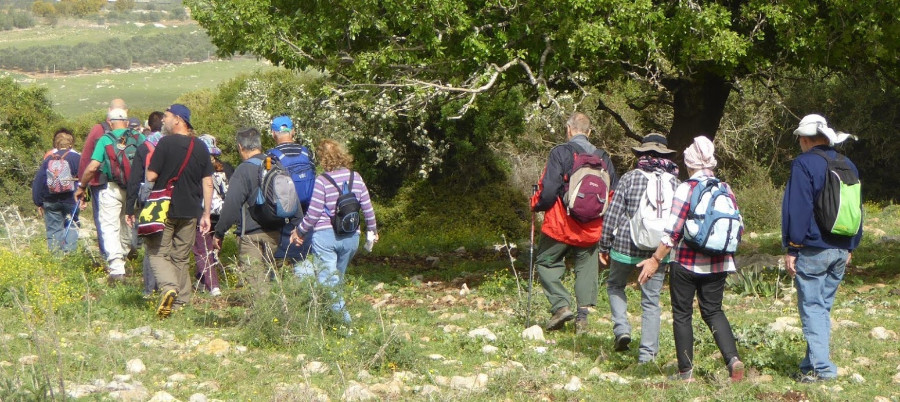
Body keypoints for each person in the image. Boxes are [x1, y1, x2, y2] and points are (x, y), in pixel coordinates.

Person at [636, 136, 744, 382]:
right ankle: (733, 360)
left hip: (685, 262)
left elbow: (673, 231)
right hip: (719, 262)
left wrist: (654, 260)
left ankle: (686, 373)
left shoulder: (687, 188)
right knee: (714, 311)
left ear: (690, 161)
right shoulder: (725, 188)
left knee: (682, 314)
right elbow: (739, 226)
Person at [782, 114, 862, 383]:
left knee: (813, 308)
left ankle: (823, 370)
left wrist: (792, 247)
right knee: (821, 308)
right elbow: (856, 207)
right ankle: (809, 366)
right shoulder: (846, 163)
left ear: (805, 139)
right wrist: (851, 246)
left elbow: (799, 207)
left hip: (814, 248)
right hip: (841, 247)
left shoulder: (804, 163)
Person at [530, 112, 618, 333]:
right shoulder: (603, 157)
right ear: (589, 132)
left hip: (561, 224)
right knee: (586, 270)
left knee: (546, 262)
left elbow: (549, 190)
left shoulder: (560, 152)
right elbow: (612, 193)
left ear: (569, 129)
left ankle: (560, 306)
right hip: (591, 227)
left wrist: (536, 204)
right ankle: (582, 319)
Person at [599, 133, 680, 360]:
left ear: (642, 153)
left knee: (615, 285)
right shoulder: (675, 182)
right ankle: (647, 355)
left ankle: (622, 329)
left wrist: (604, 245)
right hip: (658, 251)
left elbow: (613, 213)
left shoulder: (630, 178)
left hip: (625, 246)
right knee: (651, 301)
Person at [133, 104, 213, 318]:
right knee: (180, 257)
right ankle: (181, 304)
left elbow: (150, 176)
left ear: (178, 120)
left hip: (164, 209)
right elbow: (208, 183)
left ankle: (169, 287)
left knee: (157, 252)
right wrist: (206, 214)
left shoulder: (165, 143)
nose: (164, 121)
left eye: (167, 117)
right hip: (191, 210)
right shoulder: (201, 147)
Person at [290, 139, 378, 324]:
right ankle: (330, 320)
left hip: (326, 237)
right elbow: (368, 209)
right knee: (335, 281)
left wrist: (299, 231)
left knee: (329, 283)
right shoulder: (357, 177)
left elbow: (313, 214)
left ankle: (346, 325)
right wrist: (372, 231)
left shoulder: (322, 181)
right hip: (351, 237)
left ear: (322, 158)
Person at [75, 108, 143, 283]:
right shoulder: (138, 137)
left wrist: (82, 186)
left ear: (110, 122)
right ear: (127, 122)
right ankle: (126, 253)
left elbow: (93, 166)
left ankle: (116, 268)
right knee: (128, 222)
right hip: (134, 188)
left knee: (109, 226)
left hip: (110, 188)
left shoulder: (105, 139)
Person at [213, 127, 282, 298]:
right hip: (275, 232)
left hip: (251, 235)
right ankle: (275, 315)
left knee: (256, 282)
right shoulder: (276, 165)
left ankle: (264, 320)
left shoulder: (243, 170)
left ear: (240, 147)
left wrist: (219, 233)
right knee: (269, 277)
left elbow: (231, 205)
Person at [78, 98, 127, 258]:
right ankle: (127, 253)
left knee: (105, 222)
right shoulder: (133, 134)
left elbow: (87, 159)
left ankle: (109, 256)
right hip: (128, 183)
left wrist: (82, 185)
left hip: (102, 182)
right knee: (125, 220)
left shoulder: (98, 130)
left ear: (108, 113)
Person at [125, 111, 165, 298]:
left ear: (149, 126)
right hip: (169, 195)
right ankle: (168, 285)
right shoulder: (170, 144)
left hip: (149, 196)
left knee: (151, 244)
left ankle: (150, 289)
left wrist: (129, 207)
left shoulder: (144, 147)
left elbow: (134, 179)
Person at [267, 115, 316, 264]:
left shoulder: (271, 156)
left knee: (286, 252)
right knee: (306, 251)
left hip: (285, 210)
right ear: (293, 131)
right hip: (308, 208)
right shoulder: (306, 152)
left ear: (273, 133)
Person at [193, 134, 233, 297]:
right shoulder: (228, 168)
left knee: (202, 249)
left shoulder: (198, 169)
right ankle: (202, 281)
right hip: (222, 214)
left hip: (203, 213)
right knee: (213, 248)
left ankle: (213, 286)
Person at [32, 128, 81, 253]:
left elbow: (39, 180)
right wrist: (86, 198)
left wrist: (38, 202)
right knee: (72, 226)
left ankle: (56, 259)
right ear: (70, 144)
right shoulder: (77, 158)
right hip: (72, 199)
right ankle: (69, 255)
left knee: (54, 229)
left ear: (56, 144)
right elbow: (85, 179)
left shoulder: (49, 159)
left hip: (51, 199)